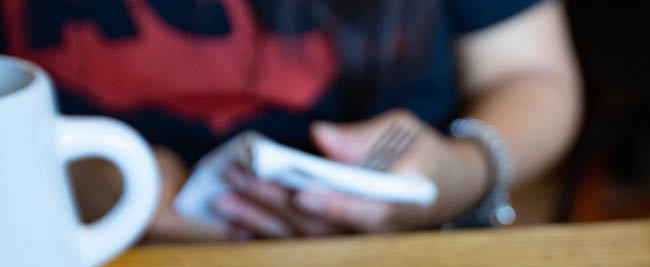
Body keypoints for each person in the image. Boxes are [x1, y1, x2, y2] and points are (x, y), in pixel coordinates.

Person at [0, 0, 582, 240]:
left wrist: (457, 171)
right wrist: (75, 178)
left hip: (398, 259)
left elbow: (533, 78)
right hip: (90, 262)